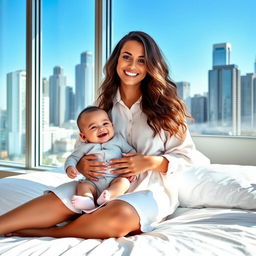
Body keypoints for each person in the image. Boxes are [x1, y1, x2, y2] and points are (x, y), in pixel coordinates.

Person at [0, 31, 210, 239]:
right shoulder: (103, 106)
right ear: (116, 59)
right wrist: (81, 165)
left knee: (119, 216)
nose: (132, 66)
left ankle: (52, 232)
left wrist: (150, 162)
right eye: (126, 57)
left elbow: (187, 157)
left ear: (151, 66)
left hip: (148, 190)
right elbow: (82, 146)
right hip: (98, 185)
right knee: (58, 199)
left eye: (141, 60)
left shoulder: (168, 109)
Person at [65, 106, 136, 211]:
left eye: (105, 123)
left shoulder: (118, 141)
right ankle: (87, 200)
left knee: (124, 183)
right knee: (82, 186)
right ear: (83, 136)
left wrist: (132, 170)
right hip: (93, 182)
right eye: (93, 127)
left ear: (112, 125)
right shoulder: (84, 147)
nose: (101, 128)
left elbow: (131, 152)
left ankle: (108, 195)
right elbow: (73, 158)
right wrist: (70, 167)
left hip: (115, 179)